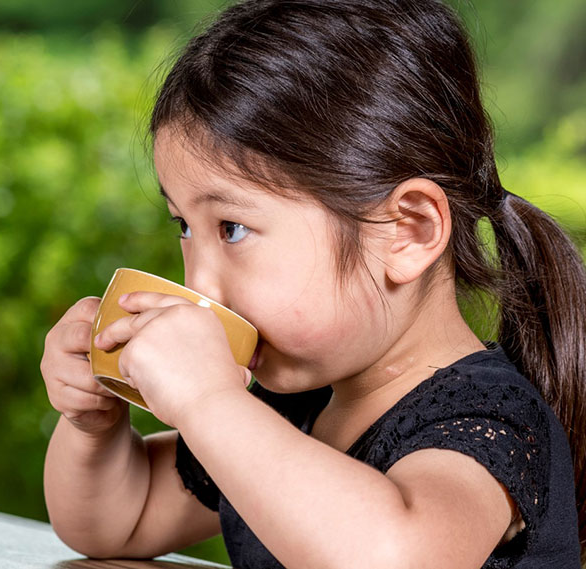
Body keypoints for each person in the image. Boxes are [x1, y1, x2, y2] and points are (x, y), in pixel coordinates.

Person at [40, 1, 586, 567]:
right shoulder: (287, 409)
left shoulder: (488, 417)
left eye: (232, 228)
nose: (201, 284)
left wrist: (209, 402)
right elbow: (116, 523)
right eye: (184, 225)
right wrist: (94, 428)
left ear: (408, 232)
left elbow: (395, 555)